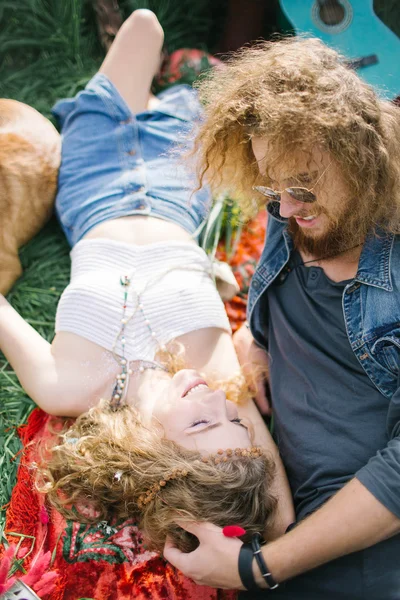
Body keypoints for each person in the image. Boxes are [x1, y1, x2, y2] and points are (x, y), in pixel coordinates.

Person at [0, 10, 294, 555]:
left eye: (206, 424)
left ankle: (161, 86)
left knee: (144, 29)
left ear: (157, 454)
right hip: (179, 186)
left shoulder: (67, 387)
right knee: (161, 46)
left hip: (94, 185)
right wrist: (244, 550)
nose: (221, 404)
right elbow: (277, 517)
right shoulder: (218, 378)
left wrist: (188, 518)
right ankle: (175, 91)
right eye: (236, 419)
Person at [163, 37, 400, 598]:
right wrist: (259, 332)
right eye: (272, 188)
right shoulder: (293, 206)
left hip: (360, 548)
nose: (285, 210)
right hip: (280, 509)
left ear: (364, 164)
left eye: (302, 191)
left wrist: (261, 568)